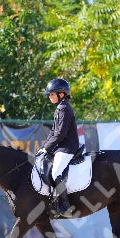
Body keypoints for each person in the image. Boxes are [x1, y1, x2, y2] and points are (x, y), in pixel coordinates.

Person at [36, 78, 80, 216]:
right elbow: (53, 133)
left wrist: (47, 148)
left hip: (67, 147)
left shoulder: (64, 108)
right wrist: (44, 148)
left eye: (52, 94)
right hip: (60, 146)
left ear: (61, 94)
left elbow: (60, 134)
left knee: (56, 173)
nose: (49, 97)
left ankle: (66, 207)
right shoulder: (60, 107)